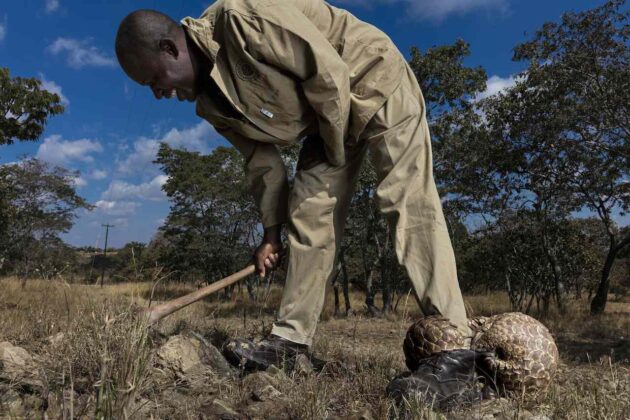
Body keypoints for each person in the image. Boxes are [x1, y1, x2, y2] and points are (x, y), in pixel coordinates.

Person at [115, 0, 471, 370]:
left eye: (154, 80)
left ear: (170, 49)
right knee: (307, 210)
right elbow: (262, 163)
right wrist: (272, 233)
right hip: (326, 119)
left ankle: (455, 345)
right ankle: (290, 342)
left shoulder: (241, 18)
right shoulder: (210, 106)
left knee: (405, 198)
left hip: (371, 78)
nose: (158, 93)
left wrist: (332, 156)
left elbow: (328, 72)